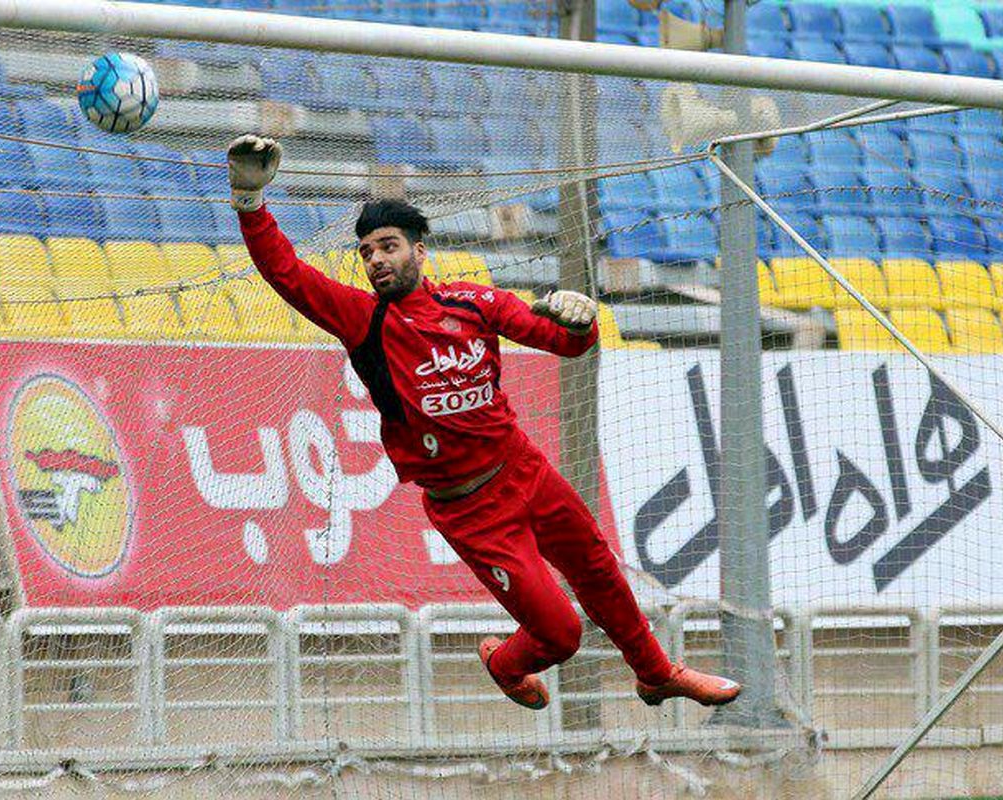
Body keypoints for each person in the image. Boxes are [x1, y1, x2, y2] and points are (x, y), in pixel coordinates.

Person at [228, 133, 741, 711]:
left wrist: (580, 323)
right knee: (559, 635)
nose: (376, 260)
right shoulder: (362, 319)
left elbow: (565, 344)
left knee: (599, 569)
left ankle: (657, 673)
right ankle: (504, 662)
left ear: (420, 251)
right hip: (467, 506)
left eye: (388, 246)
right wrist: (251, 202)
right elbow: (287, 273)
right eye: (367, 251)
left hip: (523, 467)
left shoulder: (476, 304)